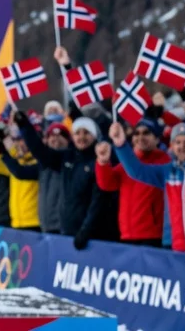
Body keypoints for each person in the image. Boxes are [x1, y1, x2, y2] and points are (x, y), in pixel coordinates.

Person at [107, 121, 185, 254]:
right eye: (177, 142)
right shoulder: (168, 172)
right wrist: (121, 144)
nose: (182, 146)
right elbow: (137, 171)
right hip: (178, 246)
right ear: (172, 146)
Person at [15, 106, 118, 248]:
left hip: (93, 237)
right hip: (67, 232)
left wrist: (85, 230)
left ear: (94, 136)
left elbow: (98, 201)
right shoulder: (67, 157)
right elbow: (41, 153)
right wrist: (24, 126)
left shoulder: (100, 161)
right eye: (77, 133)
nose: (81, 137)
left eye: (86, 133)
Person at [94, 118, 167, 247]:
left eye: (146, 133)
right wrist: (103, 162)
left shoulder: (164, 162)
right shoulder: (126, 163)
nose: (140, 137)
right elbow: (107, 184)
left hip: (153, 234)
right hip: (127, 232)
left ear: (157, 139)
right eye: (136, 134)